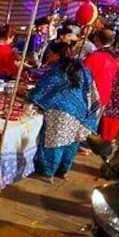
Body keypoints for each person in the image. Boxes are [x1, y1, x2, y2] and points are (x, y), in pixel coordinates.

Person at [30, 42, 100, 182]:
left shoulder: (57, 71)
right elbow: (90, 90)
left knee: (54, 142)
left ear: (56, 55)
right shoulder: (82, 68)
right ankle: (63, 171)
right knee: (71, 142)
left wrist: (29, 94)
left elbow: (42, 90)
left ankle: (47, 173)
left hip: (60, 112)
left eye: (49, 54)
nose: (48, 57)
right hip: (81, 112)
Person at [83, 28, 119, 111]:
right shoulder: (115, 56)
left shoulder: (95, 56)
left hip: (92, 94)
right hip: (104, 94)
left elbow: (83, 74)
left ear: (97, 39)